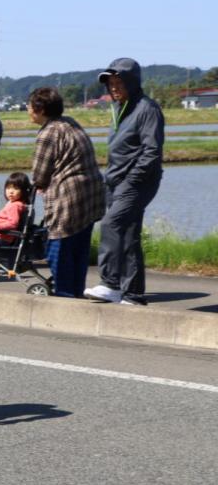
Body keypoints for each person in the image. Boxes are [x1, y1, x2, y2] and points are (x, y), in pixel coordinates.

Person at [84, 58, 164, 306]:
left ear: (132, 81)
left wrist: (132, 179)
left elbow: (152, 151)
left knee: (111, 224)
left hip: (136, 182)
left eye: (119, 82)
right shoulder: (120, 107)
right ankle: (134, 295)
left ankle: (110, 283)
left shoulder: (147, 109)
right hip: (115, 181)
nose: (113, 87)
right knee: (128, 235)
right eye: (110, 83)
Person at [27, 87, 106, 298]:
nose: (28, 110)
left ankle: (64, 297)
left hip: (68, 197)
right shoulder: (70, 122)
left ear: (40, 109)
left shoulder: (48, 132)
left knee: (58, 250)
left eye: (30, 106)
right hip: (91, 194)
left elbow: (39, 175)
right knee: (79, 250)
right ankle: (76, 293)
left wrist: (39, 184)